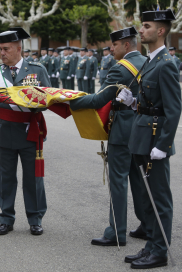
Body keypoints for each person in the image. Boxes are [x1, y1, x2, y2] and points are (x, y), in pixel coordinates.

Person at [70, 26, 148, 249]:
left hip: (123, 131)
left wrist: (69, 100)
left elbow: (98, 100)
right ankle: (147, 224)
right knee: (139, 179)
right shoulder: (148, 62)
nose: (111, 49)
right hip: (141, 129)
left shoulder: (120, 69)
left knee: (118, 182)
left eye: (114, 45)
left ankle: (116, 232)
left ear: (126, 45)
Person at [117, 9, 181, 269]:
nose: (140, 31)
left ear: (161, 30)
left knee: (159, 198)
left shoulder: (166, 63)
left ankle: (160, 251)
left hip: (155, 141)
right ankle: (151, 244)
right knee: (147, 197)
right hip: (142, 136)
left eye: (146, 26)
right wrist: (133, 103)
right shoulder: (149, 61)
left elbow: (173, 110)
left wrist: (163, 146)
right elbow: (151, 102)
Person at [0, 28, 51, 236]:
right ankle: (6, 218)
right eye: (0, 49)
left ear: (19, 49)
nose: (2, 53)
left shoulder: (37, 70)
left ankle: (35, 218)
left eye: (6, 49)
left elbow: (49, 99)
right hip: (5, 132)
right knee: (6, 178)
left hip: (29, 131)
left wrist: (32, 102)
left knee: (33, 178)